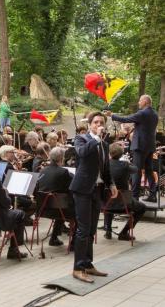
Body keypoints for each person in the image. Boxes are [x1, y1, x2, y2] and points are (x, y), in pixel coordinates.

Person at [69, 112, 118, 283]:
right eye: (96, 122)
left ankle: (88, 264)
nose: (99, 124)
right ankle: (78, 268)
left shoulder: (104, 144)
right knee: (82, 230)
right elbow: (82, 153)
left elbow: (106, 168)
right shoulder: (81, 139)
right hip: (82, 189)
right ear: (90, 125)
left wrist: (111, 184)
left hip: (97, 189)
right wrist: (96, 138)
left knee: (91, 230)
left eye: (101, 122)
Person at [105, 94, 159, 202]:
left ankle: (135, 196)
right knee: (149, 170)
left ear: (145, 101)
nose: (139, 103)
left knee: (136, 171)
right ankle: (153, 195)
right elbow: (144, 127)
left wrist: (112, 115)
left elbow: (126, 119)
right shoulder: (154, 114)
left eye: (140, 101)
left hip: (140, 146)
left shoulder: (142, 113)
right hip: (150, 145)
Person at [104, 143, 146, 241]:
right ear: (121, 154)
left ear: (109, 154)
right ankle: (124, 232)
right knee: (142, 207)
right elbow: (136, 169)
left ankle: (108, 231)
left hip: (106, 204)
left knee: (109, 197)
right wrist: (127, 161)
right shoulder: (125, 165)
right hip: (123, 204)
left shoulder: (104, 165)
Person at [37, 147, 74, 246]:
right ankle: (74, 242)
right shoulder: (63, 172)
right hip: (59, 210)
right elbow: (71, 189)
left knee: (59, 203)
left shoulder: (42, 171)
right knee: (77, 208)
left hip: (43, 209)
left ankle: (54, 238)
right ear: (62, 158)